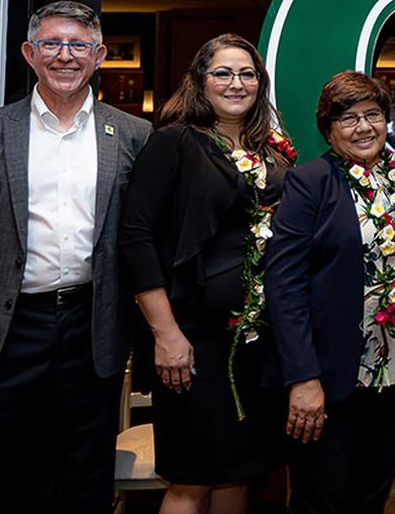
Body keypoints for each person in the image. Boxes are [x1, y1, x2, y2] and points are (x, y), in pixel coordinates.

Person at [0, 0, 151, 513]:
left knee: (82, 476)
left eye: (79, 45)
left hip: (90, 324)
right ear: (29, 53)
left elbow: (136, 235)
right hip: (6, 329)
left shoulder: (132, 135)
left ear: (100, 55)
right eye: (52, 44)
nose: (65, 55)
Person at [118, 33, 293, 513]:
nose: (236, 83)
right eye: (223, 72)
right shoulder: (174, 142)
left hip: (256, 345)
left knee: (238, 472)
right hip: (192, 342)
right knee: (192, 478)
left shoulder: (270, 153)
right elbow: (135, 239)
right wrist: (166, 333)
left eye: (247, 73)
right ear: (200, 81)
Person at [263, 70, 395, 514]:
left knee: (371, 495)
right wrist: (303, 378)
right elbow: (284, 286)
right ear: (328, 128)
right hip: (329, 377)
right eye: (348, 118)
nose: (363, 127)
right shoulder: (310, 182)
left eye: (373, 114)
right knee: (321, 500)